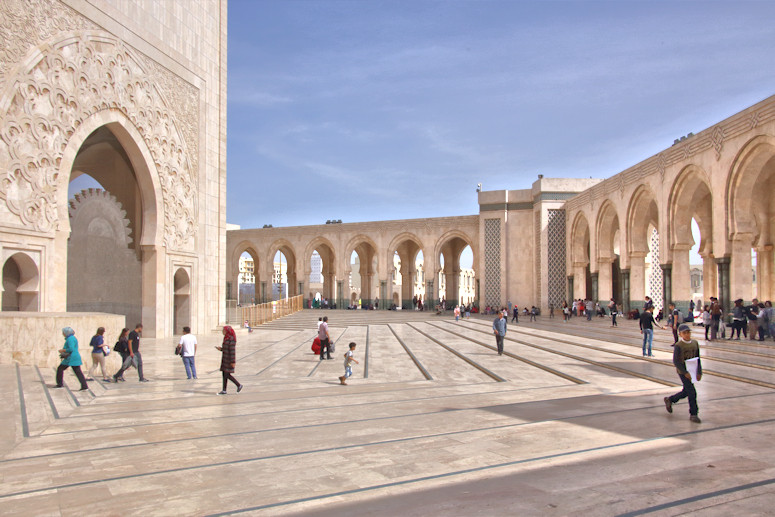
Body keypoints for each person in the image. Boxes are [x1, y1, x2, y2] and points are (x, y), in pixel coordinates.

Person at [664, 324, 702, 423]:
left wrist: (699, 371)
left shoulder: (695, 343)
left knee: (686, 391)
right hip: (683, 371)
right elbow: (676, 361)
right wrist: (685, 372)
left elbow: (698, 358)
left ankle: (670, 400)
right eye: (684, 333)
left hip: (692, 369)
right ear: (680, 334)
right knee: (692, 392)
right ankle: (694, 414)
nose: (687, 334)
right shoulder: (679, 346)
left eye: (688, 332)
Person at [216, 326, 243, 395]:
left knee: (227, 374)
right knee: (224, 374)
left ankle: (239, 385)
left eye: (223, 330)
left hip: (229, 360)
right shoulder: (226, 338)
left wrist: (233, 361)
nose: (222, 331)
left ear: (227, 331)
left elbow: (232, 351)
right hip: (225, 359)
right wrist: (221, 349)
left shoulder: (231, 339)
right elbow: (226, 349)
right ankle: (224, 390)